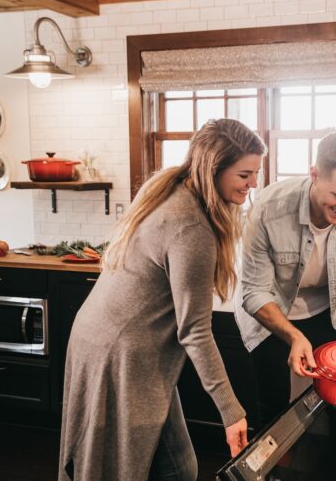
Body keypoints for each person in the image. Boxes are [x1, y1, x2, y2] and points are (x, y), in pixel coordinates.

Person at [58, 119, 266, 480]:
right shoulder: (191, 227)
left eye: (255, 174)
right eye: (245, 174)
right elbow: (196, 332)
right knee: (159, 468)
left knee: (176, 465)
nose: (253, 184)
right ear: (213, 168)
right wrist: (232, 412)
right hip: (123, 353)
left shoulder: (169, 187)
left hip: (102, 339)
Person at [235, 129, 336, 427]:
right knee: (275, 408)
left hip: (326, 311)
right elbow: (254, 291)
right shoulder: (268, 209)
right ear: (314, 174)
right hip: (270, 314)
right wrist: (294, 336)